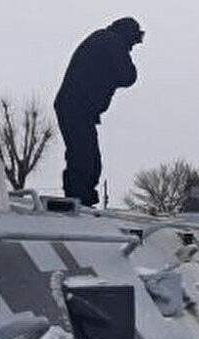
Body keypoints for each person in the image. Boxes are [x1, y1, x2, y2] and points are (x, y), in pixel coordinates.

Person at [54, 17, 144, 207]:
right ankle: (78, 199)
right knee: (84, 156)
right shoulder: (111, 42)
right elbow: (128, 75)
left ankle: (80, 197)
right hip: (76, 107)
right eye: (132, 43)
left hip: (78, 108)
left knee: (87, 157)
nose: (132, 48)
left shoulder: (104, 39)